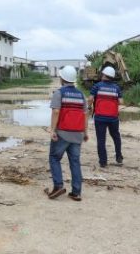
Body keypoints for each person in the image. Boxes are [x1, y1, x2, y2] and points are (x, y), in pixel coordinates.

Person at [45, 65, 89, 201]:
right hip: (77, 134)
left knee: (54, 158)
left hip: (62, 134)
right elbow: (85, 114)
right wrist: (85, 132)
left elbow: (56, 111)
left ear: (62, 78)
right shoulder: (81, 95)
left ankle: (58, 186)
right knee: (75, 162)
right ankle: (76, 192)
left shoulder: (59, 93)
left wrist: (52, 130)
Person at [88, 66, 124, 168]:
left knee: (101, 139)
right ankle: (119, 156)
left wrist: (89, 106)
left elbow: (90, 99)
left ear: (104, 75)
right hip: (113, 117)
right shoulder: (116, 87)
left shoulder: (97, 86)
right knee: (116, 136)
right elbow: (121, 101)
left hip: (100, 118)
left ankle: (103, 162)